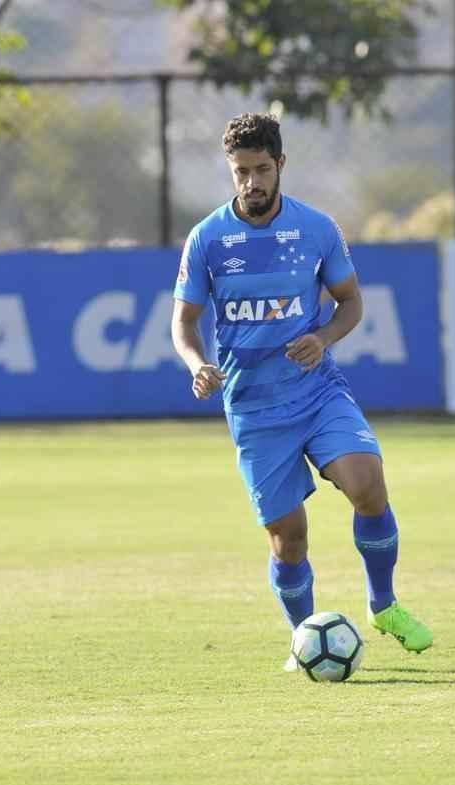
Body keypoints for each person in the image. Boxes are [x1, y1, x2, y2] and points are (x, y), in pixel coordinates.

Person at [170, 112, 433, 670]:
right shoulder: (209, 239)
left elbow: (351, 301)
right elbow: (184, 321)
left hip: (316, 390)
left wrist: (324, 337)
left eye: (261, 169)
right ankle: (305, 638)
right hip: (253, 407)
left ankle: (383, 604)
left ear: (281, 165)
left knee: (368, 484)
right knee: (288, 540)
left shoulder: (316, 229)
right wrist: (197, 362)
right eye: (240, 172)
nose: (251, 183)